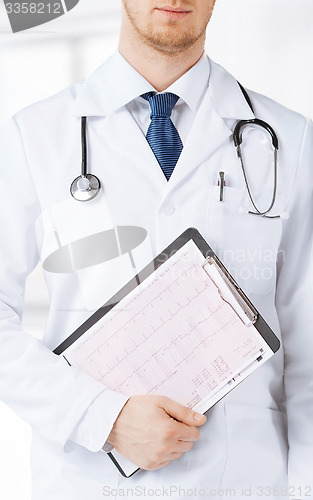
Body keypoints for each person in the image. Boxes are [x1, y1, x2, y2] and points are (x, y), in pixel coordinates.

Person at [0, 1, 313, 499]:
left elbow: (308, 343)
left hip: (245, 481)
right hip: (88, 481)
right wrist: (102, 415)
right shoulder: (34, 135)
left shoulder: (289, 140)